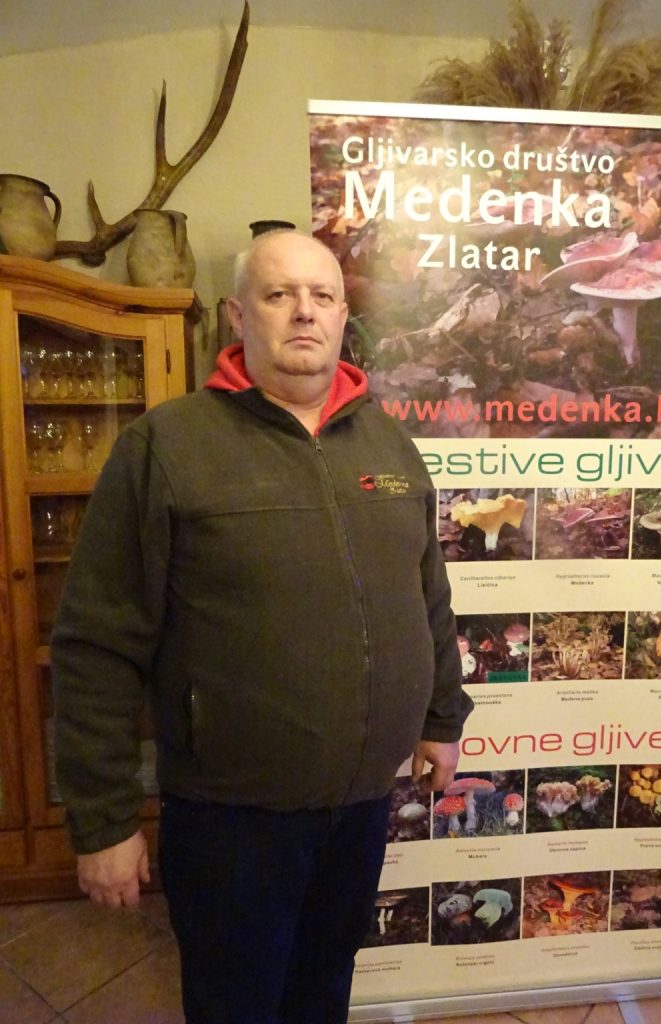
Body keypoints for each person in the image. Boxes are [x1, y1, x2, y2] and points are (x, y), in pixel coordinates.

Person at [52, 229, 473, 1024]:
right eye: (280, 295)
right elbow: (95, 644)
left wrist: (442, 718)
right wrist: (103, 820)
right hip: (231, 820)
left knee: (323, 990)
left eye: (321, 296)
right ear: (239, 316)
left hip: (360, 805)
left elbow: (427, 597)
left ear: (343, 315)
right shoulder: (167, 446)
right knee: (236, 1004)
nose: (304, 312)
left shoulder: (388, 443)